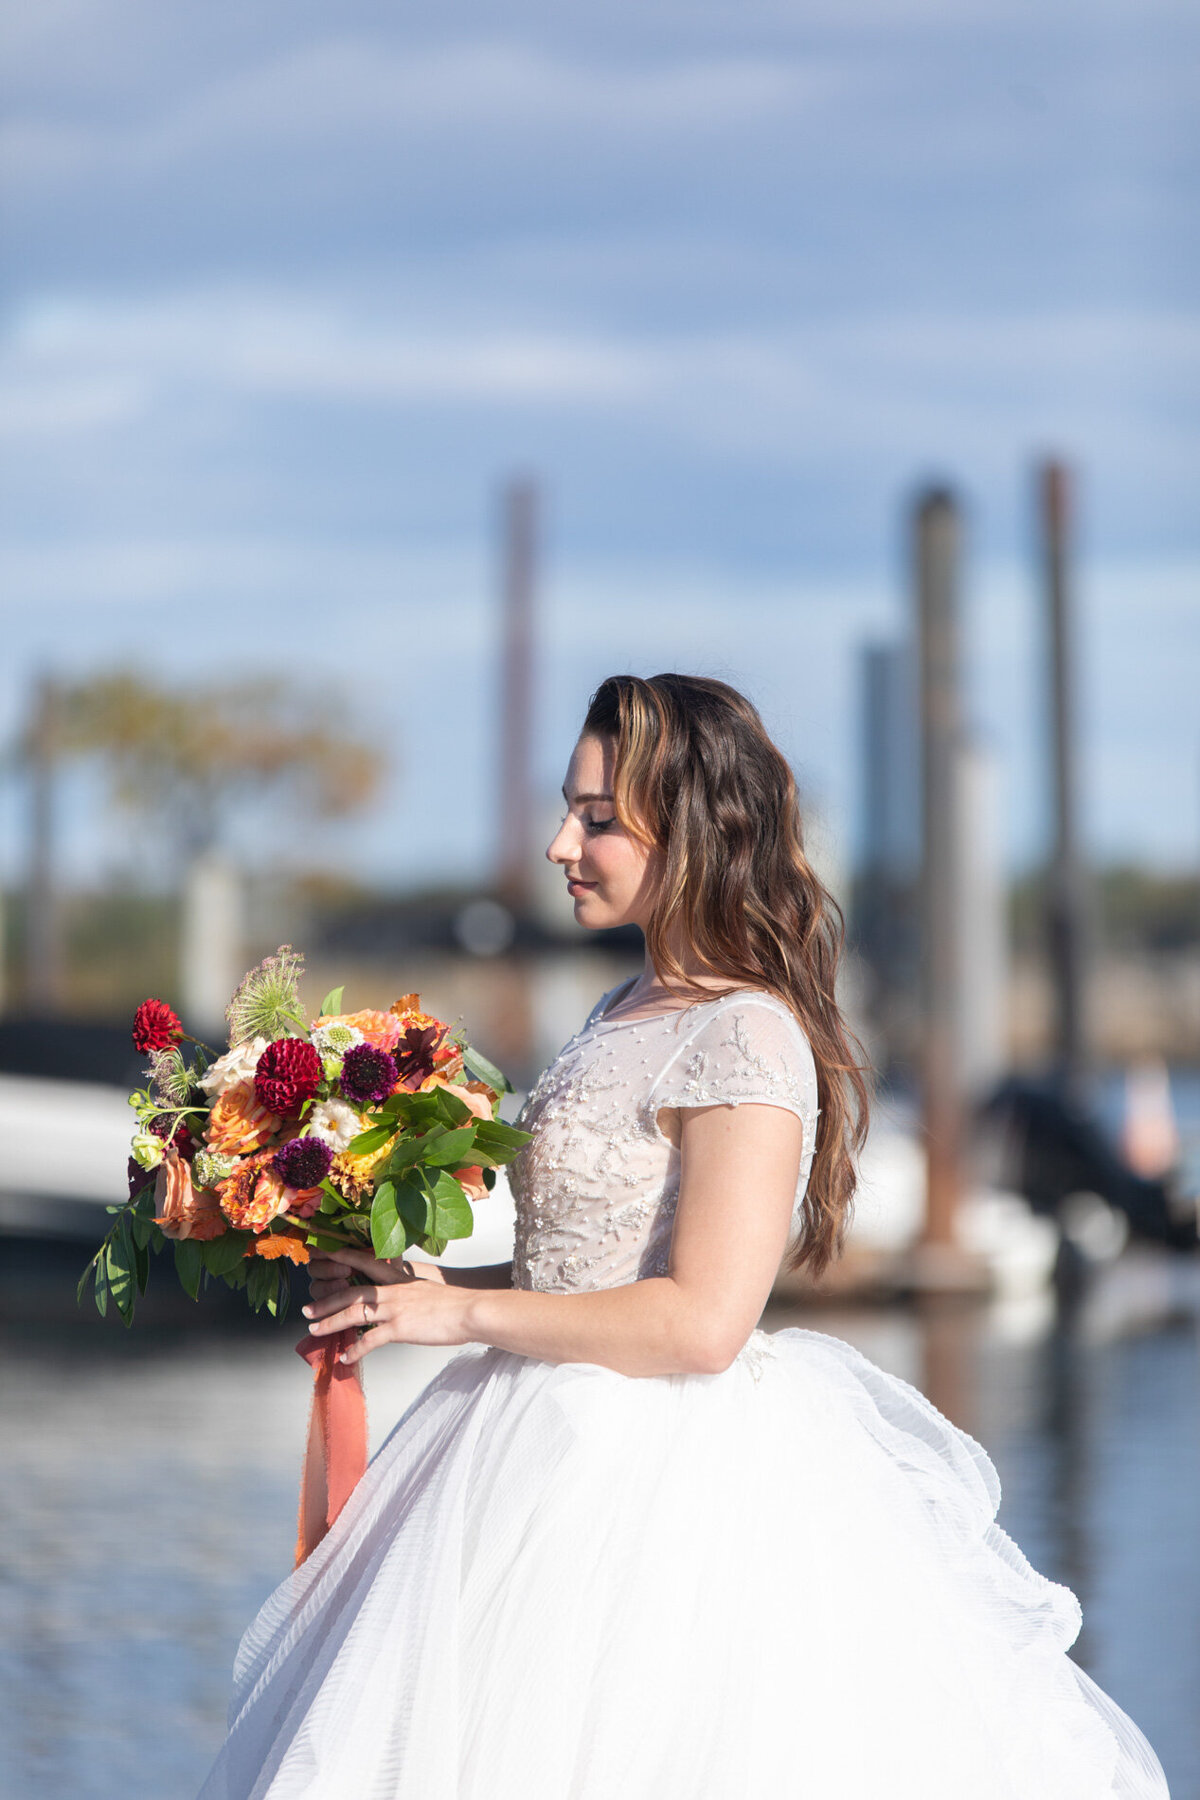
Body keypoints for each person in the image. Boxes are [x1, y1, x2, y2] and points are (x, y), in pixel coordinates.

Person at [198, 673, 1170, 1799]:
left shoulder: (746, 1036)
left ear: (696, 832)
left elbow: (705, 1321)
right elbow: (587, 1262)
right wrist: (419, 1278)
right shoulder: (619, 1011)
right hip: (516, 1441)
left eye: (600, 819)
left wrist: (456, 1316)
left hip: (650, 1486)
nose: (564, 842)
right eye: (569, 809)